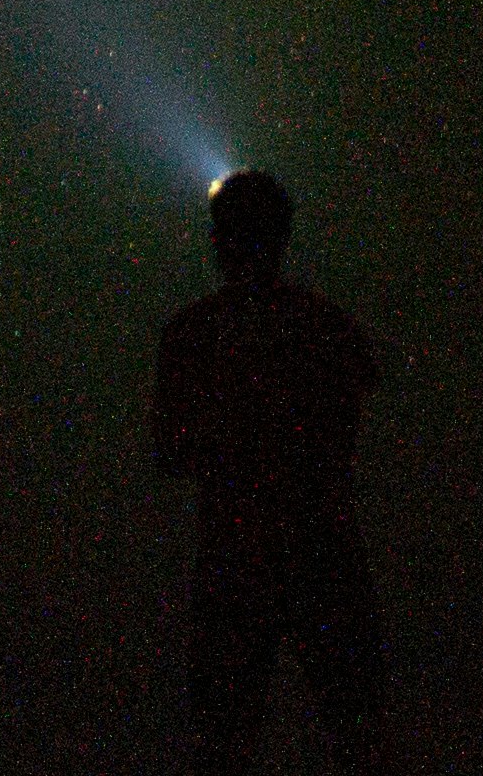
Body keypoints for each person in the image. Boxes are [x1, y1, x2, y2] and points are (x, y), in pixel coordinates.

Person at [151, 168, 392, 773]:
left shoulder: (193, 333)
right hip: (322, 546)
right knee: (357, 733)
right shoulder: (325, 324)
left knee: (223, 739)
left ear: (221, 239)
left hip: (235, 553)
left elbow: (170, 453)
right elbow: (350, 423)